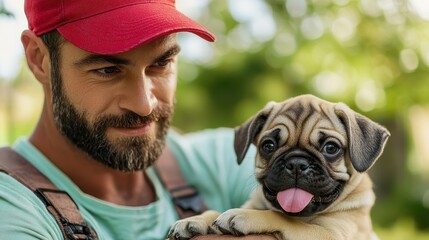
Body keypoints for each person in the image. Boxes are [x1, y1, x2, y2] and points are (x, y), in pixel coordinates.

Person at [0, 0, 276, 239]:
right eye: (108, 70)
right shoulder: (11, 208)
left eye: (161, 64)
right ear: (39, 60)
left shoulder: (227, 158)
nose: (144, 105)